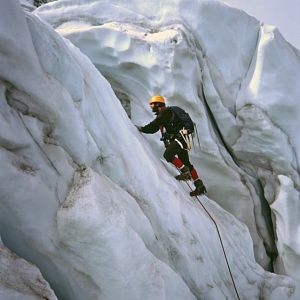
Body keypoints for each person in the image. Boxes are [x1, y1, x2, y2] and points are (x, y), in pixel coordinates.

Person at [136, 95, 207, 196]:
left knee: (168, 155)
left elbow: (186, 119)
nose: (151, 107)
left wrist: (188, 129)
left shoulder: (170, 111)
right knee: (186, 162)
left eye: (152, 104)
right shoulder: (162, 116)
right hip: (178, 140)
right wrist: (143, 129)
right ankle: (199, 186)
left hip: (180, 138)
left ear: (158, 104)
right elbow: (153, 128)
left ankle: (185, 172)